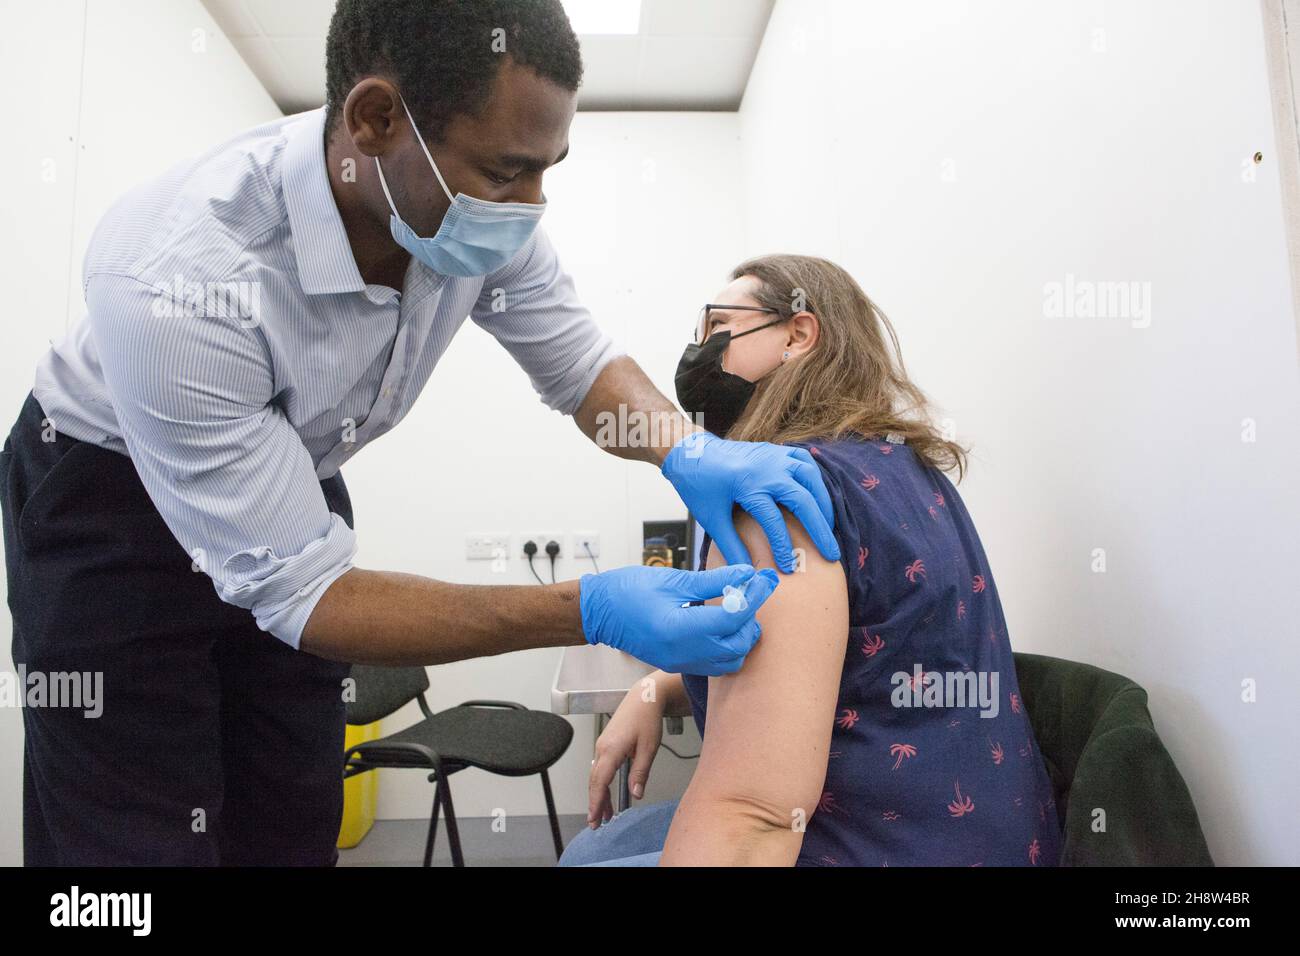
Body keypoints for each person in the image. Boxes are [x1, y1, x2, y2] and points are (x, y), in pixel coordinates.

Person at [0, 1, 842, 866]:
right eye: (509, 172)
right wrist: (587, 608)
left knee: (290, 814)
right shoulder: (178, 271)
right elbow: (307, 595)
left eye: (547, 171)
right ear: (373, 120)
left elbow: (581, 365)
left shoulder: (468, 208)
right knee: (131, 840)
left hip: (290, 469)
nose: (529, 205)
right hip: (109, 498)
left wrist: (687, 449)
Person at [563, 254, 1063, 866]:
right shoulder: (911, 471)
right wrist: (655, 688)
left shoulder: (776, 498)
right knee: (603, 846)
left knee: (585, 857)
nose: (699, 351)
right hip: (987, 834)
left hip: (872, 844)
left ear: (798, 333)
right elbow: (846, 658)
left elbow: (755, 820)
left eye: (719, 324)